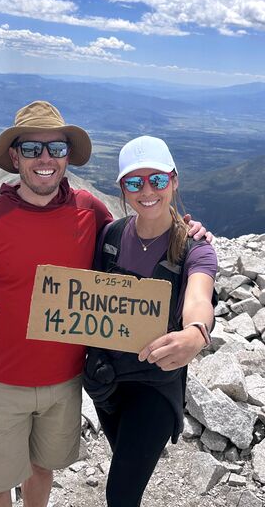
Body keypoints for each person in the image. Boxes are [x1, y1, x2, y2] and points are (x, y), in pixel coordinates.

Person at [0, 102, 208, 507]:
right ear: (15, 156)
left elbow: (140, 233)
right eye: (32, 149)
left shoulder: (90, 211)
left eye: (55, 148)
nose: (46, 158)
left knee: (41, 470)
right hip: (5, 381)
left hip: (67, 383)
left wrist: (187, 231)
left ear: (68, 155)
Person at [83, 135, 218, 507]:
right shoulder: (109, 236)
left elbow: (198, 298)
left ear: (174, 181)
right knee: (125, 471)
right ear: (122, 188)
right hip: (105, 381)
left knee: (121, 493)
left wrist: (196, 333)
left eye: (157, 180)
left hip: (154, 386)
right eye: (134, 182)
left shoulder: (196, 248)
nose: (147, 191)